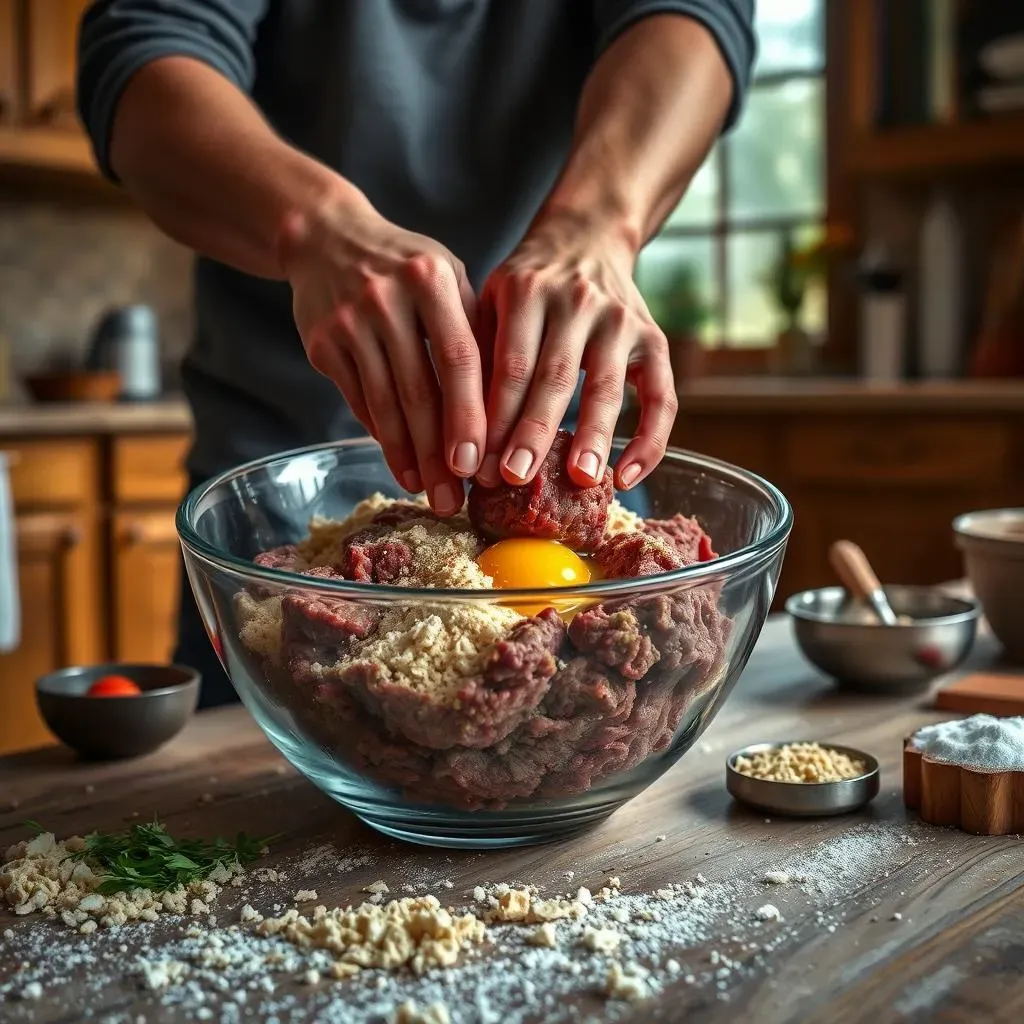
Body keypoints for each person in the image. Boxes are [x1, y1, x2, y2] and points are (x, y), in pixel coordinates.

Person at [77, 0, 755, 707]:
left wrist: (600, 225)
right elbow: (143, 49)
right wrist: (313, 226)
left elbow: (695, 20)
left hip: (573, 460)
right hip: (271, 508)